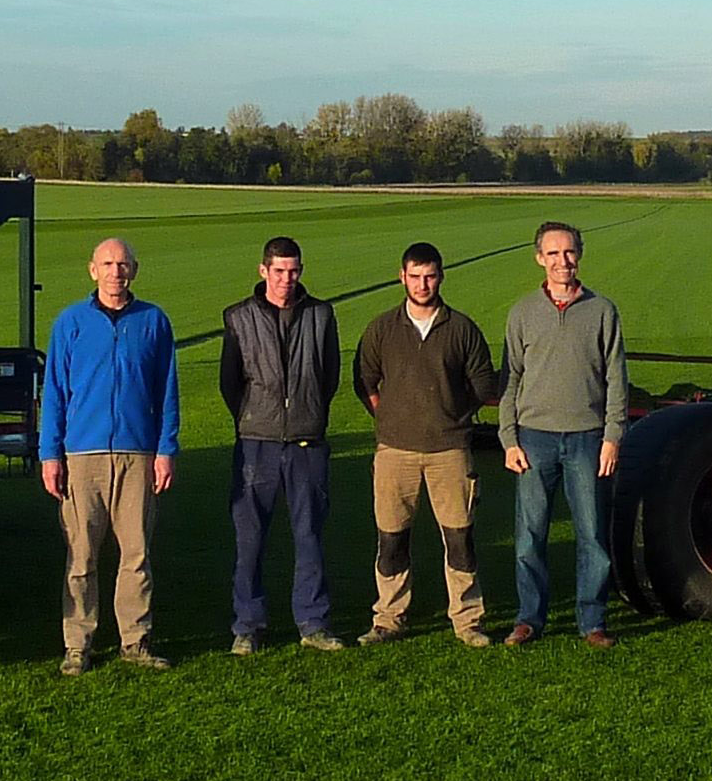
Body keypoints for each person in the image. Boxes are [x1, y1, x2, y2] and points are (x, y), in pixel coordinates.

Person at [38, 237, 180, 676]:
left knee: (136, 555)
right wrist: (50, 455)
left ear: (134, 270)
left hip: (138, 454)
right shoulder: (71, 323)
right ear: (92, 270)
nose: (116, 271)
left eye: (123, 264)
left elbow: (167, 391)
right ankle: (77, 644)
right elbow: (55, 394)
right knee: (81, 556)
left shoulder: (153, 322)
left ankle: (135, 641)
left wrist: (165, 449)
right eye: (108, 264)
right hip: (83, 456)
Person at [350, 241, 501, 647]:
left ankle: (468, 621)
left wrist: (453, 417)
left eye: (429, 276)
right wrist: (387, 417)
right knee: (391, 538)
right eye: (414, 276)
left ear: (441, 276)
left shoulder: (461, 328)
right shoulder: (382, 327)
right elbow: (364, 380)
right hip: (394, 451)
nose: (422, 284)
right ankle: (389, 618)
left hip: (449, 452)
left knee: (459, 538)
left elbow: (484, 384)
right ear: (402, 277)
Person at [498, 221, 628, 649]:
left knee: (592, 536)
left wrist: (612, 437)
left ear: (580, 255)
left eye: (569, 252)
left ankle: (592, 621)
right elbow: (510, 379)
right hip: (534, 439)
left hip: (588, 438)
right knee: (529, 537)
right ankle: (528, 619)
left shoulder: (602, 310)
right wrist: (508, 439)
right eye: (553, 254)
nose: (562, 262)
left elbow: (616, 379)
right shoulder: (522, 312)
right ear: (539, 258)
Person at [219, 236, 343, 654]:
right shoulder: (238, 318)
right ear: (263, 271)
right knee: (249, 540)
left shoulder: (321, 316)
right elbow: (230, 384)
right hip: (257, 442)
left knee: (309, 534)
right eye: (279, 271)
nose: (287, 279)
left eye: (293, 271)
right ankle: (247, 626)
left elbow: (330, 378)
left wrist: (308, 413)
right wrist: (255, 419)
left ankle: (313, 623)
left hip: (307, 442)